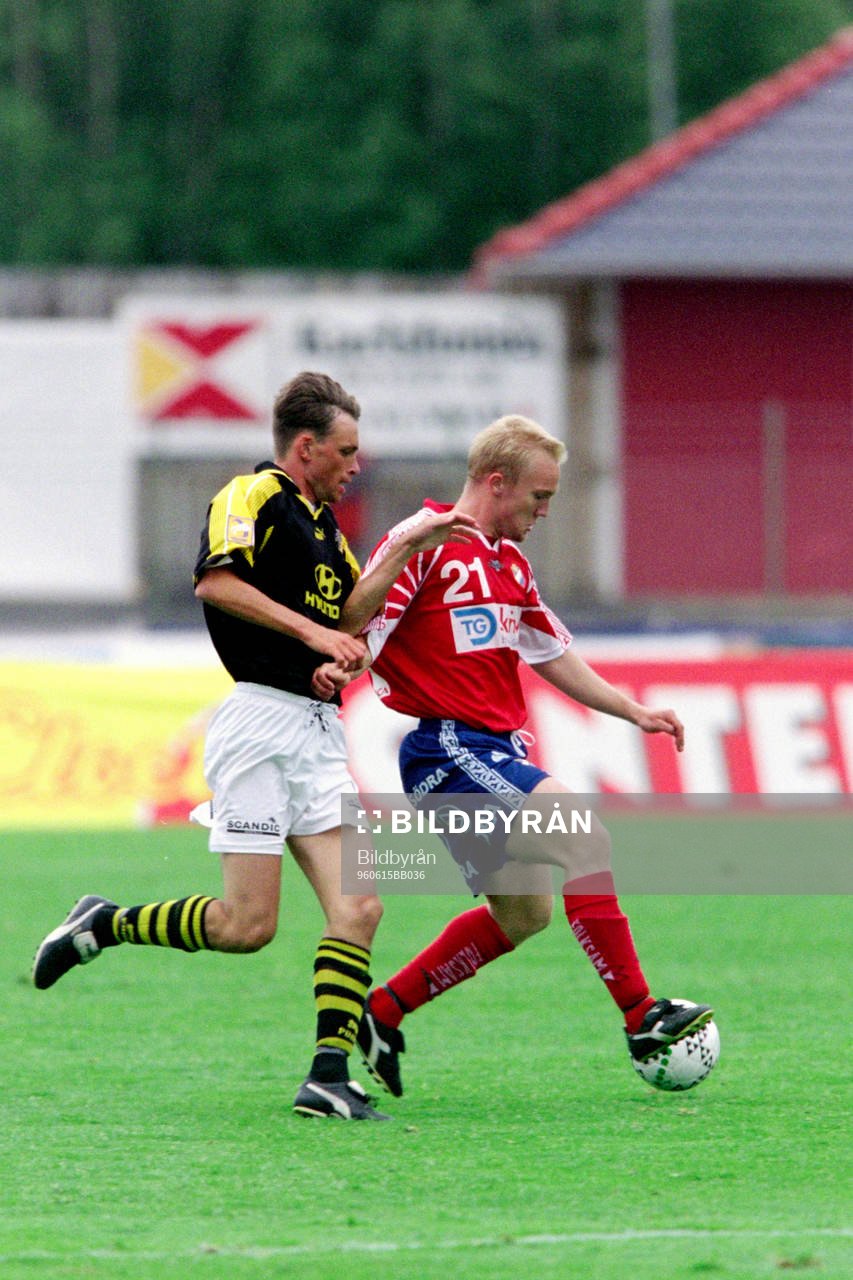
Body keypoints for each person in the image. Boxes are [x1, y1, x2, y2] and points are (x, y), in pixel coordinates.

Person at [32, 370, 476, 1122]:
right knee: (247, 928)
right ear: (305, 448)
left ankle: (327, 1075)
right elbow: (216, 584)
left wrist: (404, 549)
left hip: (315, 729)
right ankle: (103, 922)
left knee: (360, 906)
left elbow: (348, 610)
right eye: (345, 450)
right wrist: (313, 633)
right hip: (257, 728)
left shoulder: (327, 526)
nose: (354, 465)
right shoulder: (251, 496)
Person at [323, 413, 712, 1100]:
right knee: (579, 832)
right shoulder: (425, 544)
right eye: (538, 496)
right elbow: (355, 624)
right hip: (447, 746)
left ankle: (381, 1011)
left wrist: (633, 710)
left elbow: (551, 652)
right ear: (496, 483)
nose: (543, 511)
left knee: (523, 914)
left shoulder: (508, 564)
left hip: (492, 750)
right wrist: (331, 670)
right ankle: (640, 1015)